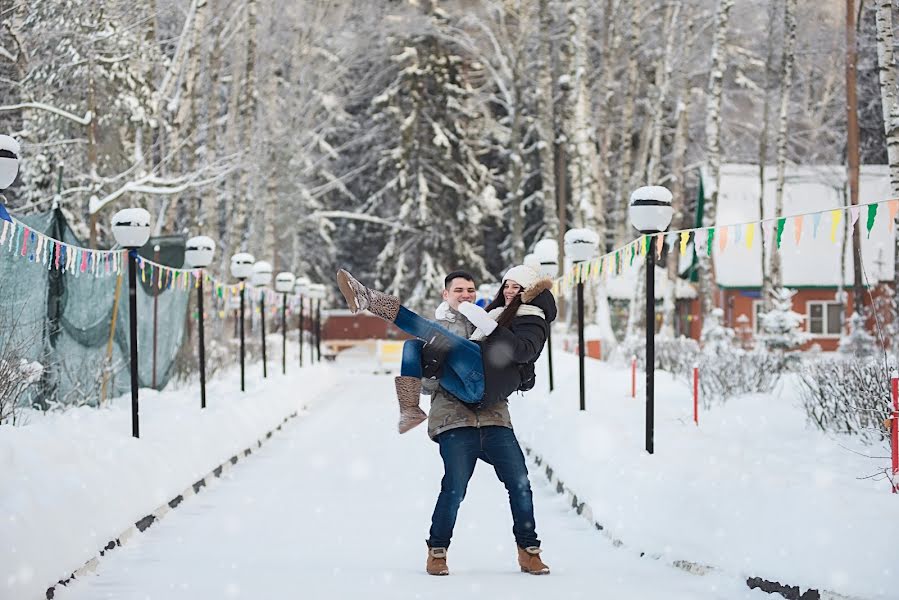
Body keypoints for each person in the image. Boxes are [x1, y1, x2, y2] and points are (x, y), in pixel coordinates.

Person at [335, 265, 556, 576]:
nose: (466, 295)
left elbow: (521, 357)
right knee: (453, 487)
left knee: (519, 483)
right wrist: (436, 366)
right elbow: (429, 381)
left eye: (470, 290)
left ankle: (529, 551)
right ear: (446, 294)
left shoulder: (496, 317)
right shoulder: (467, 320)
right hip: (454, 419)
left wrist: (519, 370)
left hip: (493, 416)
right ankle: (437, 551)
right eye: (459, 291)